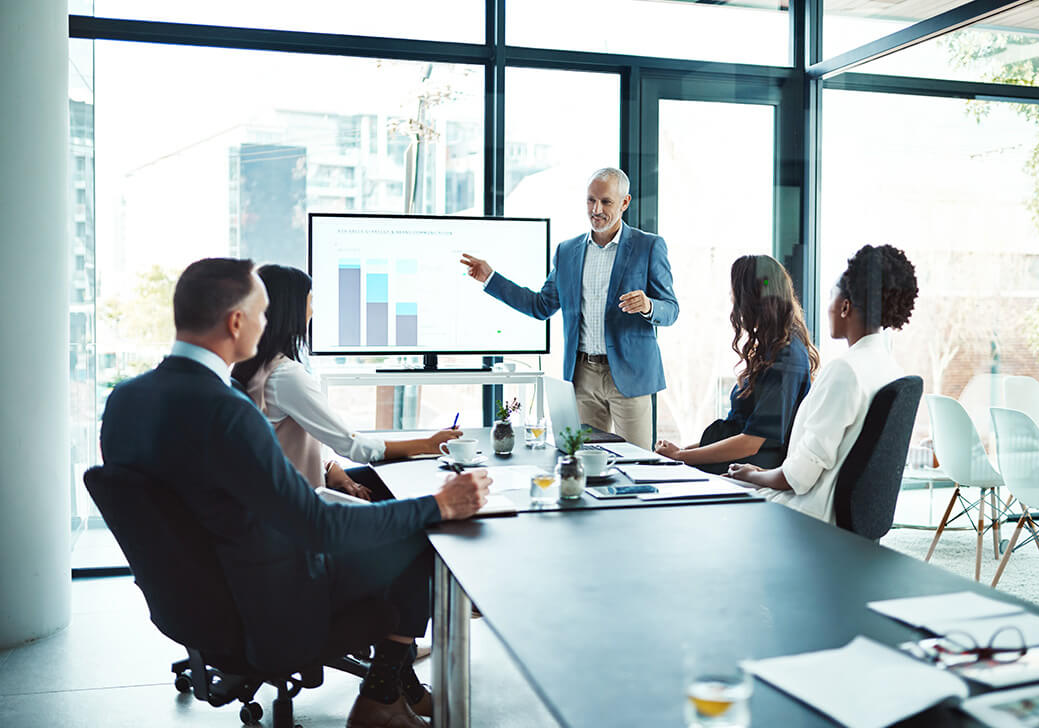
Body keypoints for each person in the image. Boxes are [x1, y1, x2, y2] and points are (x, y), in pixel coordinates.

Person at [100, 258, 491, 728]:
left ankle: (395, 688)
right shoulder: (227, 412)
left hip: (196, 600)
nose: (267, 325)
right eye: (262, 314)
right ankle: (381, 698)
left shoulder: (124, 399)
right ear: (236, 321)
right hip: (269, 600)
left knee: (392, 525)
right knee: (423, 540)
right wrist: (438, 504)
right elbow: (318, 526)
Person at [461, 167, 678, 449]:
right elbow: (541, 306)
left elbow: (671, 309)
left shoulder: (648, 247)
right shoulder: (567, 251)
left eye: (606, 202)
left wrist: (649, 305)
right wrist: (491, 277)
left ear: (625, 203)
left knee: (636, 463)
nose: (596, 209)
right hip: (582, 376)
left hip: (630, 376)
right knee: (584, 461)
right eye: (591, 200)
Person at [231, 264, 461, 501]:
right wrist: (429, 445)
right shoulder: (286, 376)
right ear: (293, 310)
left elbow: (282, 445)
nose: (313, 311)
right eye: (310, 302)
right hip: (302, 508)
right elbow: (354, 447)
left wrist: (330, 467)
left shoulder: (254, 368)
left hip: (282, 495)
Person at [726, 244, 918, 523]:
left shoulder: (846, 371)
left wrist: (753, 475)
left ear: (844, 306)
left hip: (806, 516)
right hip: (834, 516)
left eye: (831, 296)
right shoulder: (890, 368)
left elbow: (798, 477)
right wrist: (756, 475)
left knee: (708, 497)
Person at [653, 255, 819, 475]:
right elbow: (739, 430)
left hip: (747, 469)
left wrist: (681, 457)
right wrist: (680, 452)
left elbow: (751, 442)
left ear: (751, 300)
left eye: (736, 295)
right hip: (735, 463)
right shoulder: (773, 348)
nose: (733, 302)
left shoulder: (786, 357)